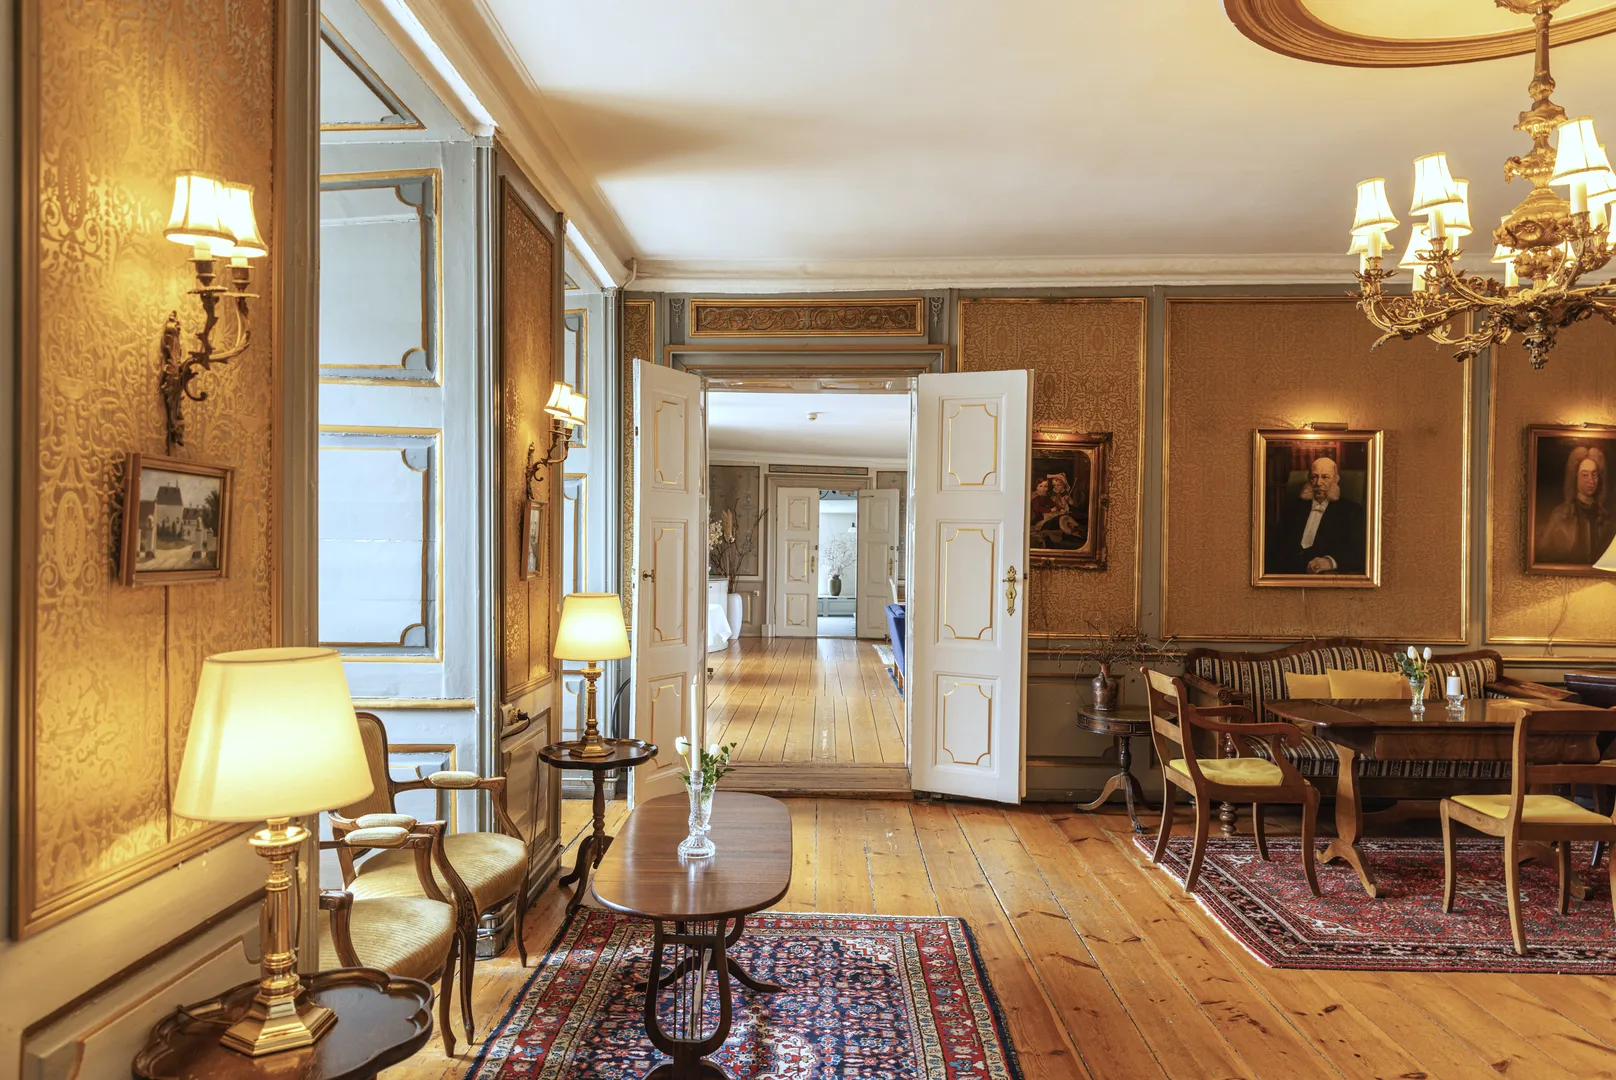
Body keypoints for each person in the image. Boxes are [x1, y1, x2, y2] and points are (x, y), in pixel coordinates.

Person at [1269, 456, 1366, 575]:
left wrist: (1330, 561)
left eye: (1325, 477)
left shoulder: (1351, 511)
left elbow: (1359, 551)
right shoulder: (1293, 509)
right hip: (1288, 573)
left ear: (1335, 479)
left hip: (1321, 578)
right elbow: (1275, 546)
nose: (1318, 483)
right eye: (1314, 477)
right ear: (1309, 480)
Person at [1537, 445, 1613, 565]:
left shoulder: (1605, 518)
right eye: (1585, 475)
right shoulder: (1560, 515)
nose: (1591, 481)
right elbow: (1543, 554)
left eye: (1594, 475)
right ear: (1575, 477)